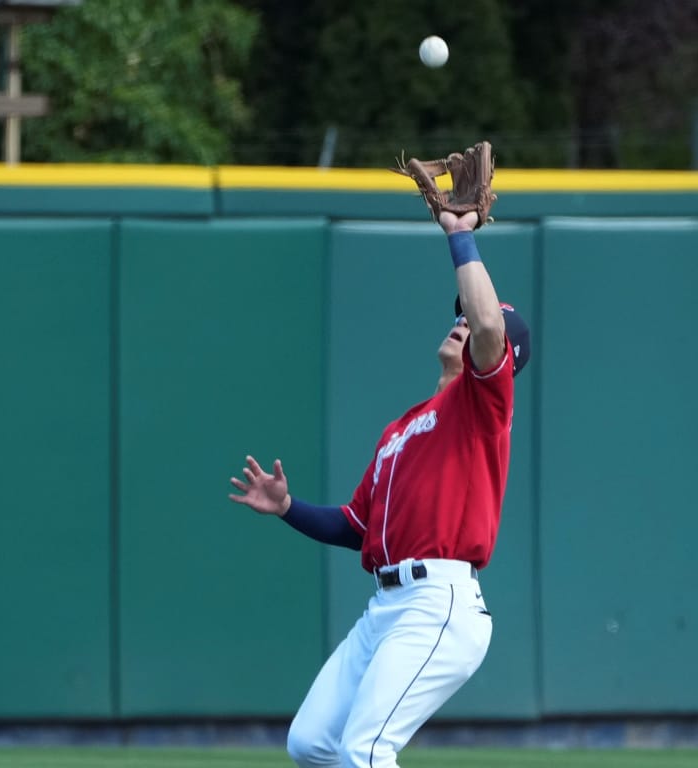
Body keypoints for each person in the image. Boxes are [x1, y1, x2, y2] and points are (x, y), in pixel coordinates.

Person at [227, 153, 531, 767]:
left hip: (438, 604)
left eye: (473, 325)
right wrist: (288, 509)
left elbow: (489, 330)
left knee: (364, 749)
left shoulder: (484, 405)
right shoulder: (404, 427)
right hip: (386, 607)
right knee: (311, 742)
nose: (462, 326)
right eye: (460, 319)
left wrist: (460, 235)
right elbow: (357, 527)